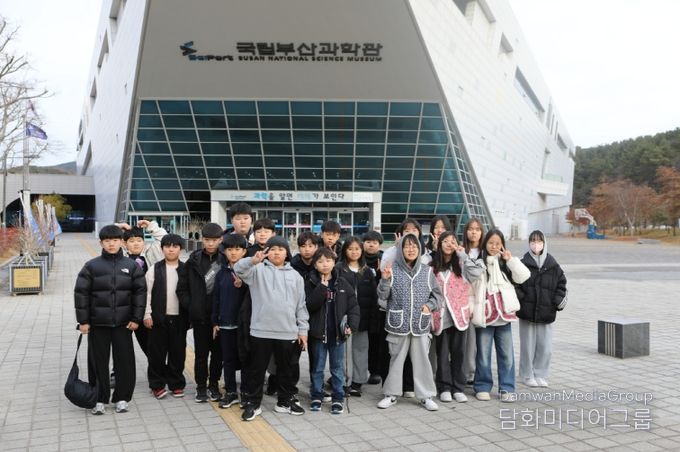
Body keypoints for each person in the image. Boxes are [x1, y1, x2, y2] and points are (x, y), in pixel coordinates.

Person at [74, 225, 146, 415]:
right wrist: (83, 321)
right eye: (107, 241)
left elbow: (140, 293)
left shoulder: (132, 266)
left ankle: (122, 398)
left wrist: (136, 318)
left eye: (115, 240)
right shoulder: (91, 266)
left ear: (121, 242)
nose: (111, 244)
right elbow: (81, 294)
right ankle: (99, 398)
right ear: (101, 243)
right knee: (98, 362)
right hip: (98, 324)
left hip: (124, 323)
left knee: (124, 362)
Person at [235, 236, 309, 421]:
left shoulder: (295, 276)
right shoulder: (257, 270)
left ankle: (284, 402)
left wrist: (303, 330)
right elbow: (238, 268)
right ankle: (253, 403)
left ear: (287, 253)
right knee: (257, 369)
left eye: (281, 249)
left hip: (287, 331)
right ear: (266, 252)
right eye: (273, 249)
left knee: (286, 369)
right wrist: (252, 260)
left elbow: (301, 305)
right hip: (260, 330)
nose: (276, 253)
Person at [376, 234, 443, 411]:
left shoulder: (427, 271)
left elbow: (438, 296)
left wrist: (429, 306)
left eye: (414, 246)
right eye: (407, 246)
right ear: (401, 249)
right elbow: (382, 296)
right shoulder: (392, 269)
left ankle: (426, 396)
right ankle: (391, 394)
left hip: (420, 324)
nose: (411, 249)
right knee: (396, 360)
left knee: (422, 361)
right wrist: (385, 279)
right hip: (398, 324)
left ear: (419, 249)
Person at [468, 229, 530, 402]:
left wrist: (510, 260)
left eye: (497, 243)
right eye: (491, 243)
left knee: (506, 355)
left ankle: (507, 387)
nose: (494, 247)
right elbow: (471, 291)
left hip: (503, 317)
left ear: (502, 245)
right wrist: (472, 311)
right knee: (483, 354)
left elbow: (524, 276)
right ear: (485, 244)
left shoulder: (506, 263)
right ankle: (482, 386)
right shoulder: (478, 264)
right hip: (485, 317)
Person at [305, 248, 360, 414]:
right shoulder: (310, 282)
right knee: (317, 368)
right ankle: (317, 395)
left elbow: (353, 306)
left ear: (334, 262)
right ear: (315, 265)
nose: (325, 264)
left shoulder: (342, 283)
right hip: (317, 334)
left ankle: (338, 398)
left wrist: (351, 325)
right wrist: (321, 288)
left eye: (328, 261)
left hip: (337, 335)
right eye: (320, 261)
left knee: (337, 368)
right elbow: (309, 306)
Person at [177, 223, 225, 403]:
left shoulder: (225, 260)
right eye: (207, 240)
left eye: (214, 240)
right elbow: (182, 289)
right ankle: (201, 387)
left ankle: (213, 385)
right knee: (201, 355)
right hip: (200, 318)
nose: (210, 243)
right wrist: (192, 306)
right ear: (202, 239)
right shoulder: (193, 260)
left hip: (220, 318)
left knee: (218, 355)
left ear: (221, 240)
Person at [429, 231, 477, 403]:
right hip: (440, 317)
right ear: (439, 244)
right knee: (442, 355)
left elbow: (476, 272)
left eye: (453, 241)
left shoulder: (462, 264)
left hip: (459, 316)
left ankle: (458, 387)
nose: (449, 244)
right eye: (446, 241)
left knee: (458, 353)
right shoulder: (431, 266)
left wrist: (462, 254)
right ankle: (444, 387)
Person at [517, 230, 567, 388]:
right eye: (532, 241)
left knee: (545, 347)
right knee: (527, 346)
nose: (535, 244)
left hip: (546, 311)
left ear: (544, 243)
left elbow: (561, 284)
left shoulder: (553, 265)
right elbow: (515, 283)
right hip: (527, 311)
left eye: (539, 241)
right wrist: (521, 298)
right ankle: (527, 374)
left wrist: (557, 301)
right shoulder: (522, 263)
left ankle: (541, 374)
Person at [143, 234, 188, 399]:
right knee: (157, 354)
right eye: (167, 246)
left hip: (179, 319)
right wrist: (147, 314)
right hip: (158, 318)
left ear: (181, 249)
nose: (171, 249)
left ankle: (176, 384)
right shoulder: (154, 269)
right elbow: (146, 293)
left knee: (178, 354)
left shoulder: (186, 269)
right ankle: (157, 385)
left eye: (175, 246)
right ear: (162, 249)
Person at [335, 236, 377, 397]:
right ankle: (344, 381)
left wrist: (372, 320)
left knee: (361, 350)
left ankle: (357, 382)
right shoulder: (338, 269)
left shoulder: (367, 271)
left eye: (357, 249)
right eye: (350, 249)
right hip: (344, 319)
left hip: (363, 319)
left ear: (362, 251)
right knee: (344, 351)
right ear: (345, 250)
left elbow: (373, 297)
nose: (354, 252)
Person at [212, 233, 250, 408]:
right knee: (227, 360)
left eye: (237, 249)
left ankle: (246, 392)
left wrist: (243, 285)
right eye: (229, 249)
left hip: (245, 326)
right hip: (226, 324)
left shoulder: (251, 272)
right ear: (224, 252)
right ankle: (231, 392)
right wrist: (215, 322)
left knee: (245, 359)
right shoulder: (221, 274)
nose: (233, 253)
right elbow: (216, 299)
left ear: (244, 252)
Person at [461, 218, 485, 386]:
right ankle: (467, 373)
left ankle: (479, 373)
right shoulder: (461, 250)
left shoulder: (485, 251)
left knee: (481, 341)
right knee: (467, 341)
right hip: (465, 299)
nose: (474, 232)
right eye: (470, 229)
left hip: (483, 300)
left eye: (477, 229)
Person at [362, 230, 384, 385]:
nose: (371, 245)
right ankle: (359, 371)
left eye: (374, 242)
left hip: (378, 306)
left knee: (376, 340)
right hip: (362, 305)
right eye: (368, 242)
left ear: (379, 244)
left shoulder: (384, 259)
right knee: (362, 340)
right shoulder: (357, 258)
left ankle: (375, 371)